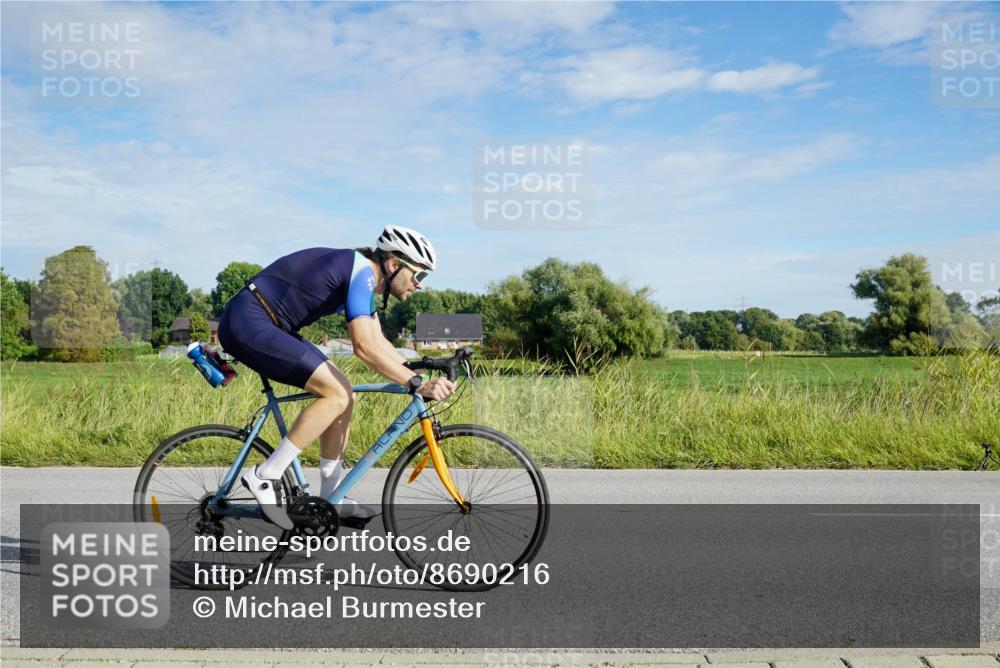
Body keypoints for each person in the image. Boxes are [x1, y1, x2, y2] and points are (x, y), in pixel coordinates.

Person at [217, 225, 455, 530]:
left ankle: (331, 496)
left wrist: (415, 371)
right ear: (394, 265)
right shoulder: (362, 272)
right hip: (250, 321)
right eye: (419, 274)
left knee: (346, 394)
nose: (420, 285)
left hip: (267, 323)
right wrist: (415, 383)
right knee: (336, 393)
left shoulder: (362, 274)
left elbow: (378, 340)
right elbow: (364, 347)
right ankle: (265, 475)